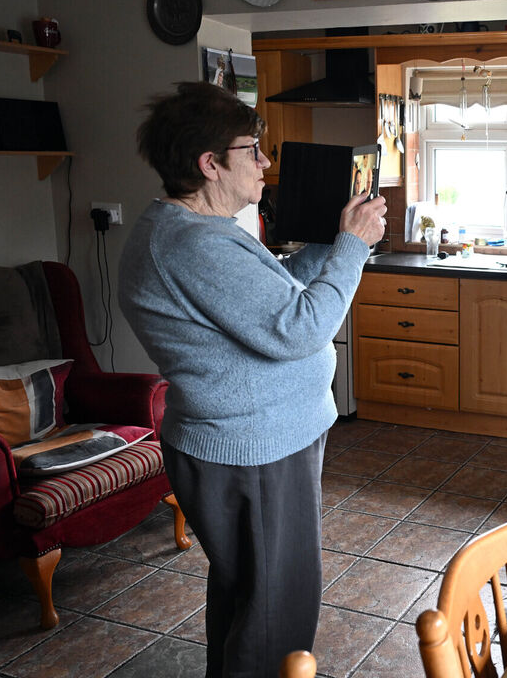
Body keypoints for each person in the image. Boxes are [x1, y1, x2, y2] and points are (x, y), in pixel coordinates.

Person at [117, 82, 387, 677]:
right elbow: (299, 328)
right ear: (210, 164)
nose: (266, 163)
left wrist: (333, 244)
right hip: (254, 452)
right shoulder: (192, 245)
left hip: (256, 444)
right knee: (276, 611)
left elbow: (278, 292)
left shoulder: (199, 232)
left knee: (251, 597)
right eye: (253, 150)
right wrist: (352, 247)